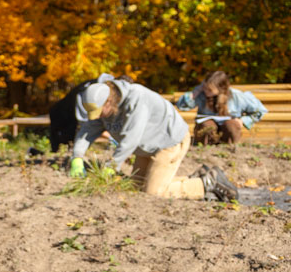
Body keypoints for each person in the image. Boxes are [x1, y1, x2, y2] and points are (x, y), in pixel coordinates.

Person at [70, 78, 238, 201]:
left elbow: (131, 138)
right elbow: (87, 130)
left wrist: (112, 165)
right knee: (135, 188)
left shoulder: (136, 98)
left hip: (169, 142)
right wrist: (77, 156)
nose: (98, 117)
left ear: (108, 101)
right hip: (146, 146)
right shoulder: (102, 107)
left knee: (155, 193)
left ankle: (208, 183)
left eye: (99, 112)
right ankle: (195, 179)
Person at [177, 71, 269, 145]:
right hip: (207, 134)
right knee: (207, 126)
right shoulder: (201, 94)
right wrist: (195, 92)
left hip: (227, 132)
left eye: (209, 89)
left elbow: (260, 110)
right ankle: (207, 148)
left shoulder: (236, 96)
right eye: (204, 87)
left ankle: (228, 148)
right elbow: (181, 106)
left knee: (231, 126)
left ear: (221, 88)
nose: (206, 91)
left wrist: (243, 121)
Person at [48, 73, 114, 152]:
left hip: (70, 113)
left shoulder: (97, 88)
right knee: (63, 139)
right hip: (61, 114)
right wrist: (111, 137)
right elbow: (87, 124)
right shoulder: (90, 93)